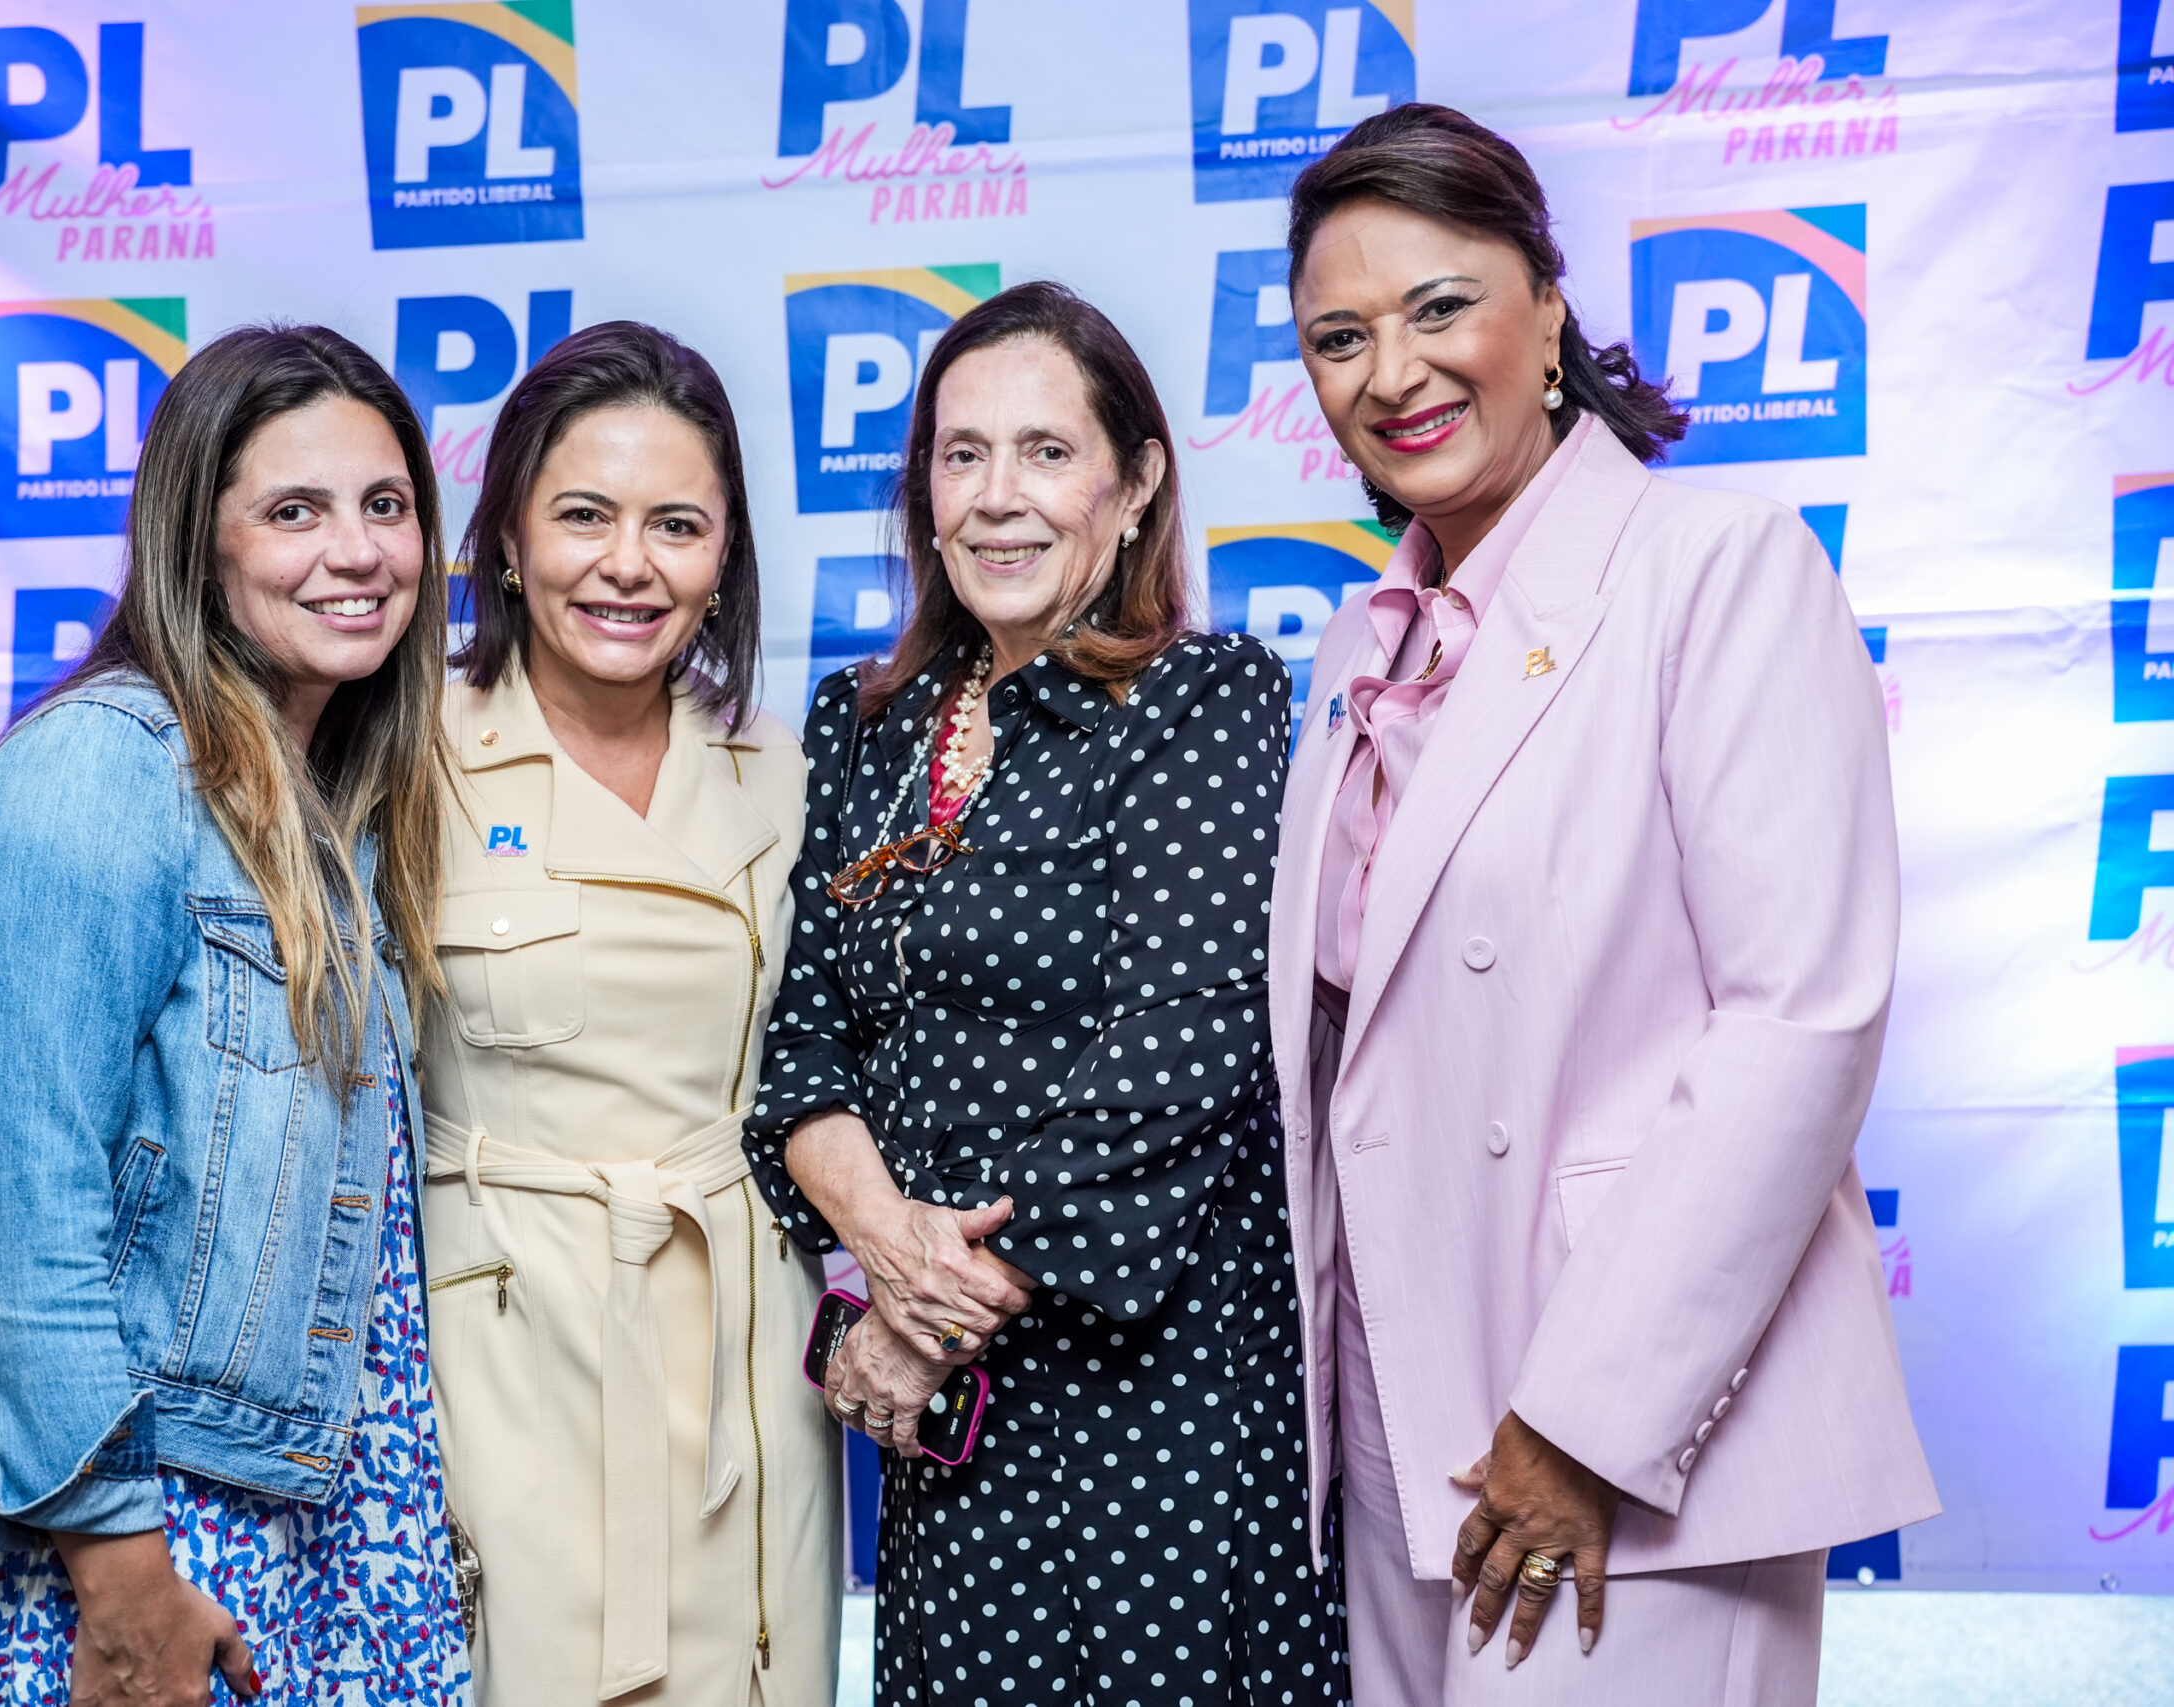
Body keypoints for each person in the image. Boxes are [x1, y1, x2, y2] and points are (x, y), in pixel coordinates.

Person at [1267, 104, 1938, 1705]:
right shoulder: (1364, 648)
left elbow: (1799, 1025)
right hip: (1400, 1417)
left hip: (1625, 1425)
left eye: (1441, 307)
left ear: (1550, 308)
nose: (1394, 372)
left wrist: (1585, 1424)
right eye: (1341, 338)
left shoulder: (1717, 567)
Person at [747, 280, 1352, 1707]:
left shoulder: (1204, 697)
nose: (997, 497)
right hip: (948, 1419)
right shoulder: (865, 726)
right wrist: (889, 1247)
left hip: (1152, 1401)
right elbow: (803, 1045)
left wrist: (931, 1314)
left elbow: (1184, 1049)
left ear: (1134, 487)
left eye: (1047, 452)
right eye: (962, 455)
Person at [0, 326, 467, 1706]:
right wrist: (126, 1582)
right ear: (196, 545)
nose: (358, 551)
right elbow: (15, 1231)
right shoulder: (100, 770)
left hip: (321, 1525)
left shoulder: (339, 808)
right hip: (147, 1538)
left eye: (386, 505)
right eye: (294, 511)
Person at [417, 320, 840, 1706]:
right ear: (509, 536)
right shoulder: (408, 753)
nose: (628, 565)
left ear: (724, 559)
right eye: (584, 516)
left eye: (677, 526)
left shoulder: (781, 765)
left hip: (740, 1332)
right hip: (503, 1337)